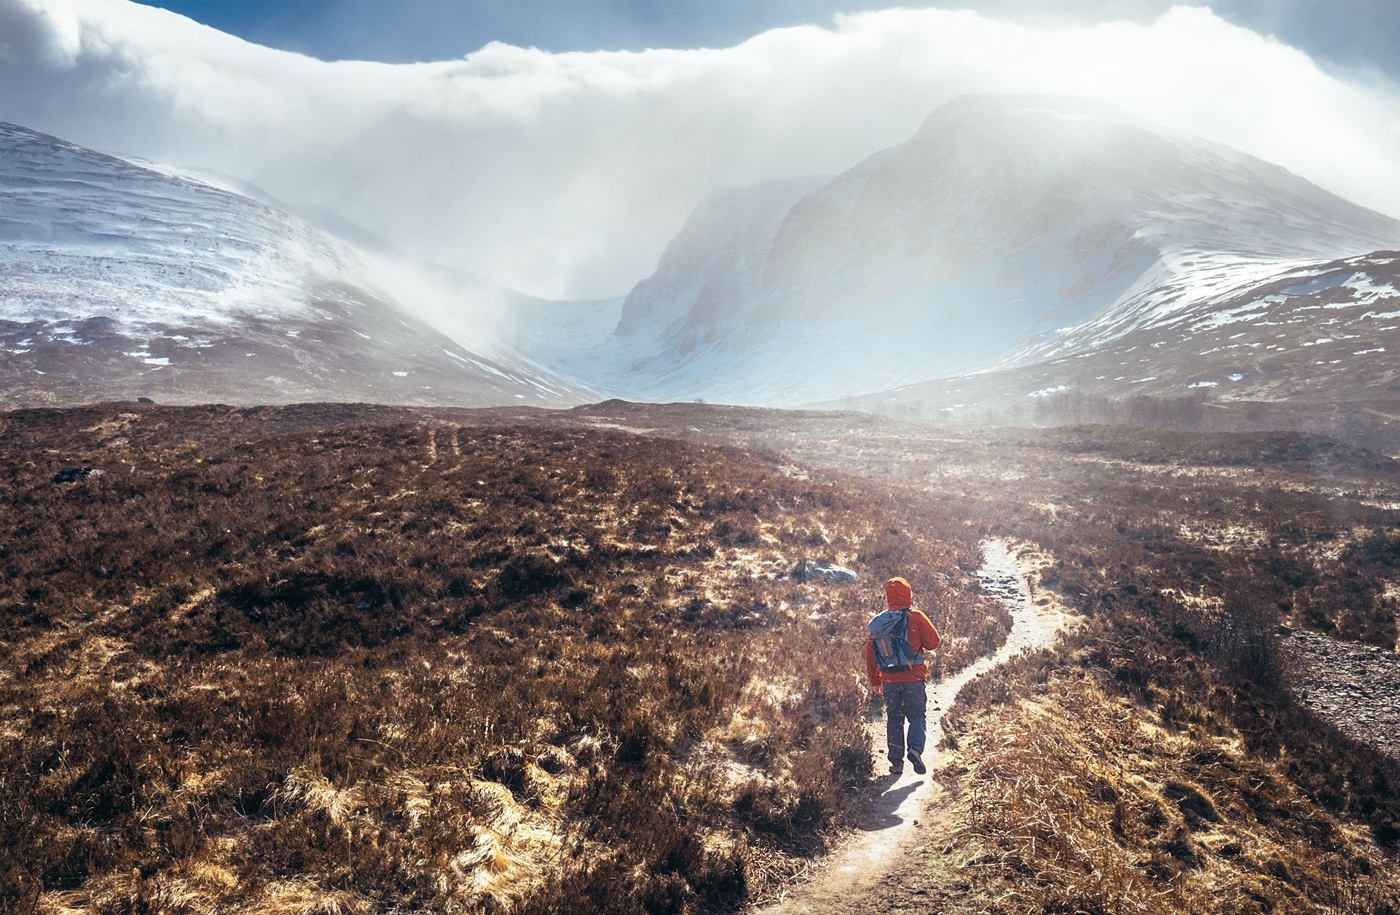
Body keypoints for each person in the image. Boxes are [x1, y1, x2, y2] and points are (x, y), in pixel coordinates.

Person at [865, 576, 941, 776]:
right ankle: (915, 750)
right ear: (908, 594)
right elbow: (934, 642)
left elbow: (870, 654)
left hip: (889, 680)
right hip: (914, 678)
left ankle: (896, 764)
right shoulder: (915, 617)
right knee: (916, 715)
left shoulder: (879, 623)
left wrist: (875, 680)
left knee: (894, 719)